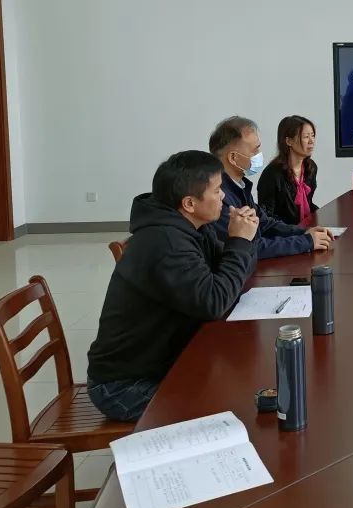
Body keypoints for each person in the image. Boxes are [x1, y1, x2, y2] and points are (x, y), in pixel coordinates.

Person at [86, 151, 259, 422]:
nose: (223, 196)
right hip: (124, 386)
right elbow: (214, 301)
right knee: (232, 407)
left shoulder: (192, 227)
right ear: (189, 203)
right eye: (217, 190)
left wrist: (243, 238)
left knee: (242, 386)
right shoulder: (165, 243)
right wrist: (239, 242)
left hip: (161, 364)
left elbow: (232, 276)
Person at [208, 116, 332, 258]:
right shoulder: (218, 197)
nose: (259, 155)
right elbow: (250, 247)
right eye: (254, 151)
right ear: (233, 158)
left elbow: (265, 224)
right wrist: (305, 242)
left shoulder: (240, 186)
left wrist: (304, 232)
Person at [257, 115, 318, 225]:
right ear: (289, 141)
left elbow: (308, 204)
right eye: (306, 137)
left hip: (307, 229)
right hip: (285, 233)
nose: (311, 141)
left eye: (312, 136)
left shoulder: (311, 168)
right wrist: (296, 231)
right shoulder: (272, 174)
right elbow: (266, 218)